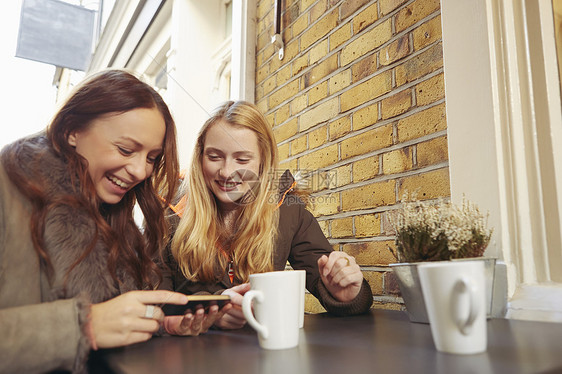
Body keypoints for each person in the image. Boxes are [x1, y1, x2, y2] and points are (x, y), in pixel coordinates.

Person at [0, 70, 227, 374]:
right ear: (72, 131)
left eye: (151, 158)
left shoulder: (113, 213)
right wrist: (82, 327)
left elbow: (110, 316)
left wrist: (158, 324)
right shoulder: (7, 190)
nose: (139, 171)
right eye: (125, 149)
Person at [162, 100, 373, 330]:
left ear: (264, 161)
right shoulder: (168, 212)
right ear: (200, 156)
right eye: (214, 157)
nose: (227, 172)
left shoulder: (288, 210)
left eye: (242, 159)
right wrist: (212, 310)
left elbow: (328, 279)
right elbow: (150, 300)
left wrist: (346, 293)